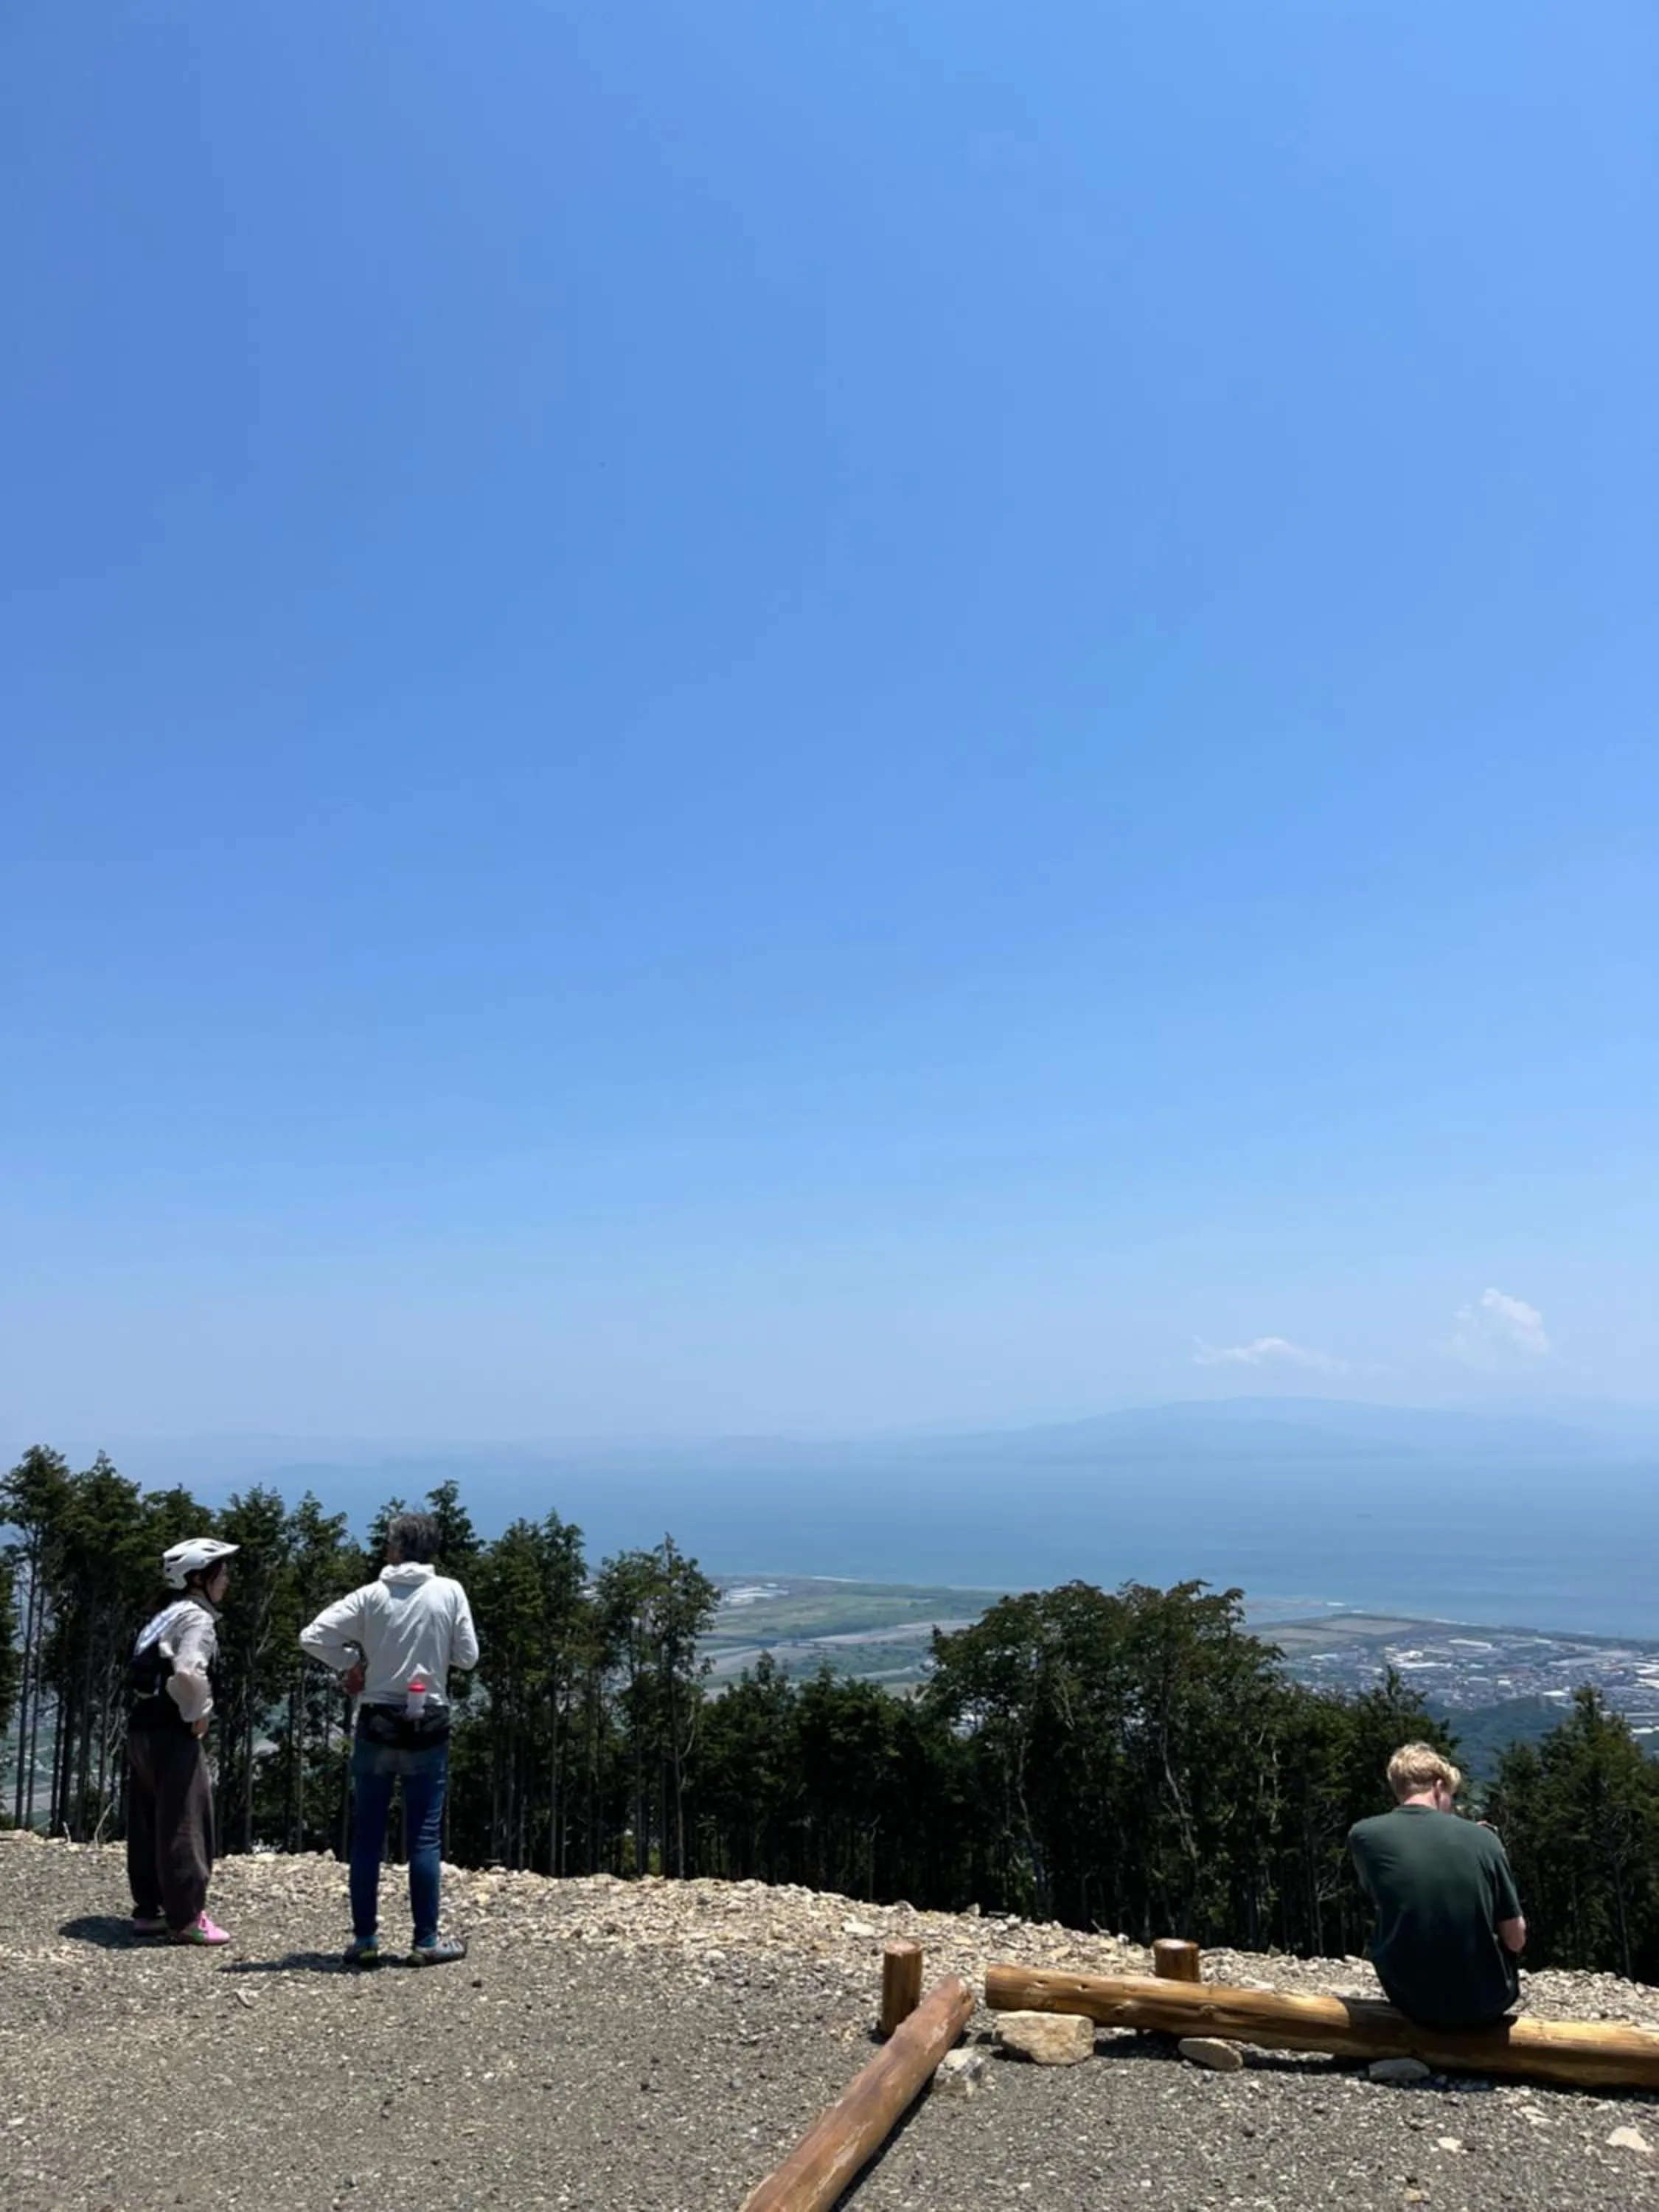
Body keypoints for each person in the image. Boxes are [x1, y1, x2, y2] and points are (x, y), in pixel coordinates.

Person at [300, 1510, 479, 1966]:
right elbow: (468, 1657)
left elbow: (312, 1636)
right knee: (424, 1837)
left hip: (377, 1719)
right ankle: (425, 1941)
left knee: (367, 1837)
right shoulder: (449, 1592)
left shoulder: (370, 1596)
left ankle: (365, 1941)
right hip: (428, 1718)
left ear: (398, 1549)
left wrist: (352, 1664)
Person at [1348, 1742, 1526, 2031]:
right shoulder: (1484, 1840)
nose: (1452, 1806)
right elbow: (1515, 1938)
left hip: (1409, 1998)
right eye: (1451, 1798)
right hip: (1486, 2002)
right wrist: (1487, 1847)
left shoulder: (1364, 1835)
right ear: (1438, 1786)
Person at [127, 1537, 240, 1947]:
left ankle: (149, 1911)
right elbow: (190, 1670)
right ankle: (188, 1916)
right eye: (221, 1573)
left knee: (147, 1820)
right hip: (172, 1730)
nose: (227, 1580)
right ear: (198, 1579)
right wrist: (198, 1715)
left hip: (141, 1727)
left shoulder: (165, 1615)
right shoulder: (197, 1619)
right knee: (185, 1823)